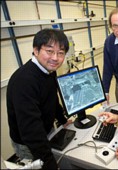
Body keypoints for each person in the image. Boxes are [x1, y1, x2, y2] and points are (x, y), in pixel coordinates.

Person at [6, 28, 72, 169]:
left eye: (60, 53)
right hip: (28, 143)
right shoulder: (24, 80)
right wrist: (49, 163)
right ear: (36, 51)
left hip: (45, 132)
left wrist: (62, 120)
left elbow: (52, 99)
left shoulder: (49, 70)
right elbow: (30, 131)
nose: (55, 58)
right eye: (49, 51)